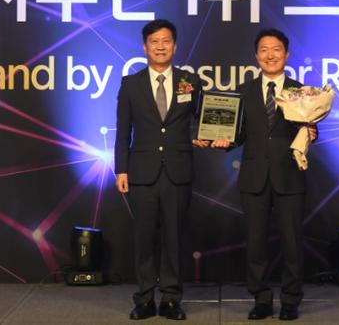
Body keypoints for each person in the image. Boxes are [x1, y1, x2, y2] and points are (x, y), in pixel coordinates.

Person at [210, 29, 317, 321]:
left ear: (287, 54)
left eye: (276, 49)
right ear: (256, 56)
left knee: (292, 243)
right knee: (255, 243)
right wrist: (223, 140)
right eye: (264, 50)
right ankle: (261, 299)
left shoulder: (302, 92)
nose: (270, 55)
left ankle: (291, 300)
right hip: (254, 178)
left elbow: (310, 129)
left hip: (289, 176)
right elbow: (239, 132)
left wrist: (311, 132)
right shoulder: (243, 92)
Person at [115, 19, 202, 321]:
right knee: (143, 238)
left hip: (178, 171)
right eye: (154, 42)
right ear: (145, 47)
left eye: (166, 41)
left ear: (175, 46)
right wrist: (121, 169)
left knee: (174, 239)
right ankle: (144, 299)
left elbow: (202, 118)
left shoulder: (190, 81)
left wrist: (214, 135)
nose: (160, 47)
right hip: (141, 173)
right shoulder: (131, 84)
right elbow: (123, 131)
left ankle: (171, 299)